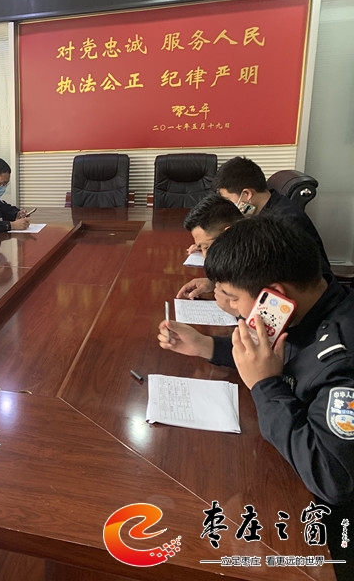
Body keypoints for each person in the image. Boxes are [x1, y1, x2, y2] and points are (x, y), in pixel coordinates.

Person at [158, 216, 353, 578]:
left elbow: (332, 478)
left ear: (275, 295)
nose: (230, 308)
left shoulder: (340, 359)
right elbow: (277, 354)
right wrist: (206, 346)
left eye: (233, 298)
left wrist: (265, 386)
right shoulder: (312, 309)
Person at [177, 156, 331, 300]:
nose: (227, 206)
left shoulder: (282, 224)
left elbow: (277, 284)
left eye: (228, 199)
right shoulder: (264, 209)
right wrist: (210, 244)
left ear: (246, 194)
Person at [176, 194, 243, 304]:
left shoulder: (261, 263)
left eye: (206, 247)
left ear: (229, 233)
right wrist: (214, 284)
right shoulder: (238, 258)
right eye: (201, 248)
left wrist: (235, 309)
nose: (205, 256)